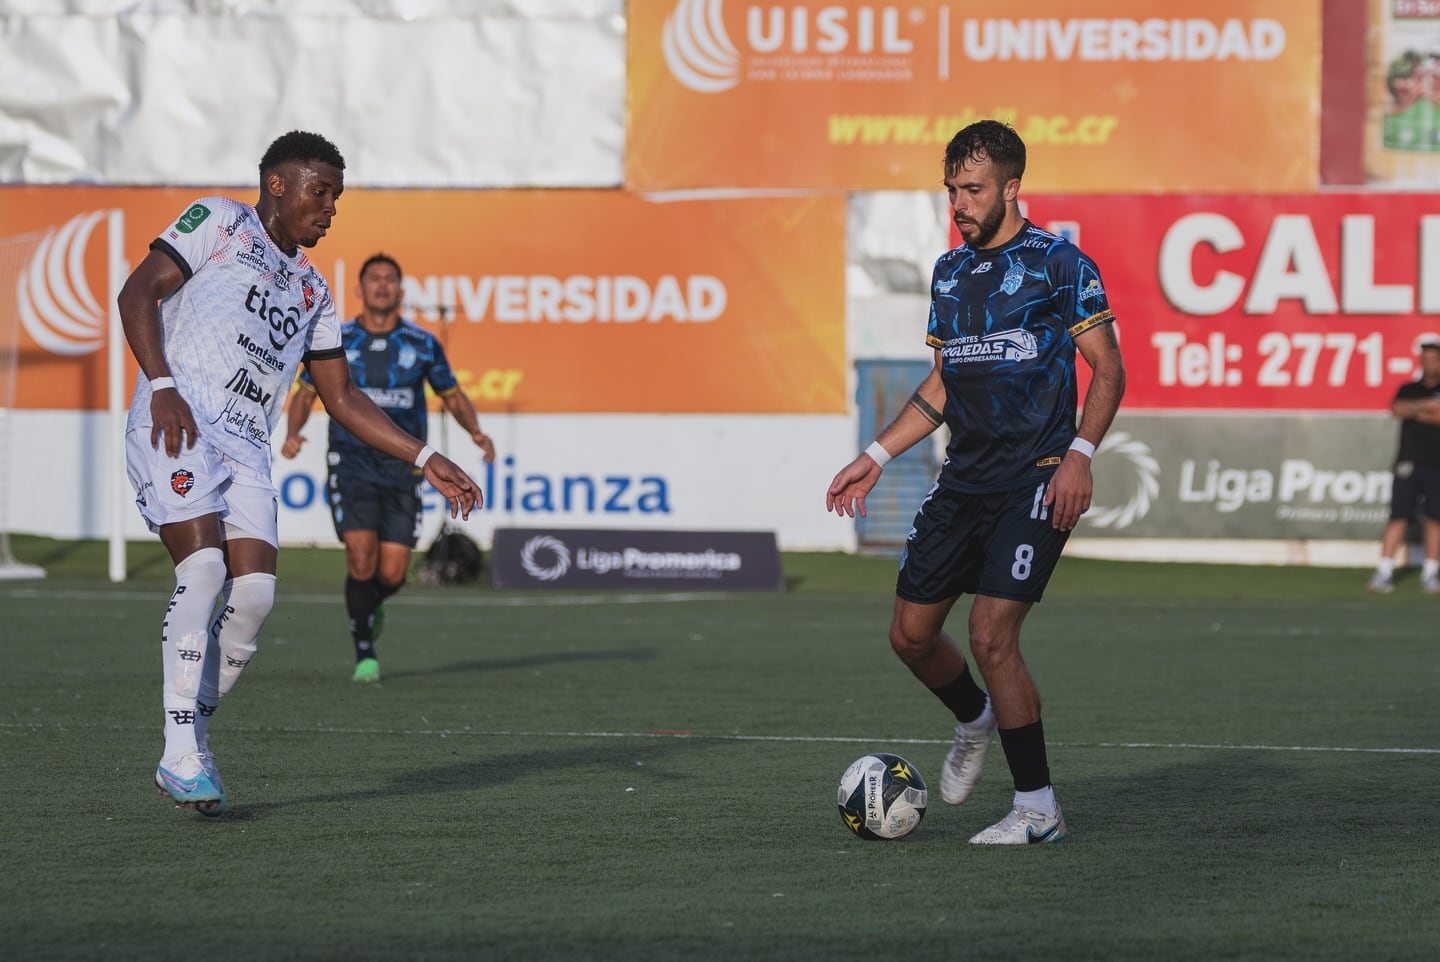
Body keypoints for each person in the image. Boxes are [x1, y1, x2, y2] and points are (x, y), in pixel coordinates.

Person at [119, 131, 483, 815]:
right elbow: (137, 292)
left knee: (253, 599)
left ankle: (191, 735)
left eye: (337, 197)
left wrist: (427, 456)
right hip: (178, 421)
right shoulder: (219, 222)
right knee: (204, 571)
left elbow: (340, 397)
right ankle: (178, 751)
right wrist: (160, 382)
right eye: (323, 192)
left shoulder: (313, 288)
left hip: (246, 448)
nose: (331, 209)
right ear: (279, 185)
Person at [825, 120, 1125, 845]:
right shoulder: (950, 272)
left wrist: (1080, 453)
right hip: (965, 480)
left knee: (992, 636)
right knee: (910, 635)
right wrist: (878, 451)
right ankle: (973, 717)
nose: (958, 203)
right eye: (951, 189)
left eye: (972, 189)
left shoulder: (1060, 264)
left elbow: (1108, 368)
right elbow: (943, 384)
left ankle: (1038, 808)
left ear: (1011, 188)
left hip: (1038, 476)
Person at [281, 252, 496, 682]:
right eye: (374, 279)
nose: (382, 285)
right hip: (352, 461)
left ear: (399, 290)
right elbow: (306, 393)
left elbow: (451, 394)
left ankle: (370, 605)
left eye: (389, 279)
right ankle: (365, 650)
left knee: (393, 572)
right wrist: (293, 431)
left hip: (405, 466)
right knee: (360, 559)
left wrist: (475, 431)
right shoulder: (337, 339)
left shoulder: (421, 343)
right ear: (360, 290)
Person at [1366, 339, 1440, 594]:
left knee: (1435, 518)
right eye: (1426, 358)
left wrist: (1417, 410)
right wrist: (1428, 406)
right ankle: (1384, 571)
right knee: (1398, 515)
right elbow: (1398, 409)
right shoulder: (1408, 388)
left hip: (1437, 464)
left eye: (1435, 358)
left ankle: (1430, 574)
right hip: (1407, 463)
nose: (1430, 363)